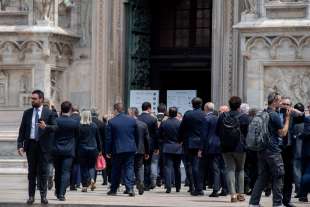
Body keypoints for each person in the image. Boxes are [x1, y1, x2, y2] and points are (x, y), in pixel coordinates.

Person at [249, 92, 291, 207]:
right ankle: (277, 203)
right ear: (275, 101)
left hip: (262, 149)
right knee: (279, 174)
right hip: (273, 150)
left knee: (262, 176)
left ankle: (253, 203)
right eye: (280, 101)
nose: (281, 103)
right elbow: (282, 133)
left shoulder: (262, 112)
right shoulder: (274, 115)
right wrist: (287, 119)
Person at [17, 90, 57, 205]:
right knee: (31, 173)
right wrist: (20, 145)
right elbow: (22, 130)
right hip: (31, 145)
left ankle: (43, 196)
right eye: (32, 98)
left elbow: (55, 127)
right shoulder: (27, 113)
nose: (32, 100)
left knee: (43, 172)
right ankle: (31, 196)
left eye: (34, 99)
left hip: (44, 147)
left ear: (41, 99)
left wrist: (46, 126)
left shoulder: (49, 113)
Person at [216, 96, 249, 203]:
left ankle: (233, 195)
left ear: (229, 105)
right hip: (240, 147)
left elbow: (217, 131)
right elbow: (247, 133)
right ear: (239, 105)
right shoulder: (244, 117)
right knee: (240, 169)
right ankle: (241, 194)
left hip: (226, 147)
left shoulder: (222, 116)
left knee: (230, 169)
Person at [106, 103, 138, 196]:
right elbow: (136, 135)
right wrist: (135, 146)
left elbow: (109, 139)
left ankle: (114, 189)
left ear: (116, 110)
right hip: (130, 148)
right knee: (129, 168)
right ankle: (130, 188)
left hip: (117, 149)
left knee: (116, 169)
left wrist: (108, 151)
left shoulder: (112, 122)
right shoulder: (132, 120)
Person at [178, 97, 206, 196]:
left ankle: (193, 187)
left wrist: (179, 140)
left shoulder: (188, 114)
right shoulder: (204, 114)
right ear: (201, 104)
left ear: (192, 105)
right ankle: (200, 187)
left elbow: (182, 128)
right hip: (202, 143)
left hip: (189, 143)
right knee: (199, 166)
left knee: (190, 165)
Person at [53, 101, 79, 201]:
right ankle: (62, 194)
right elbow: (77, 136)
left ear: (61, 109)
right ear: (70, 109)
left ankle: (57, 190)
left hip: (56, 150)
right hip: (69, 150)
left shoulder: (56, 121)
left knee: (58, 172)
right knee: (66, 172)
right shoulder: (74, 122)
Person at [203, 102, 227, 197]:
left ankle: (215, 190)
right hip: (221, 145)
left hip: (212, 146)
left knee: (215, 168)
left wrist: (202, 148)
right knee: (223, 168)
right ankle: (225, 189)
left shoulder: (207, 119)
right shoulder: (220, 119)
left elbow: (204, 135)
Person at [159, 107, 182, 193]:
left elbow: (159, 135)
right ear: (176, 114)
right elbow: (182, 135)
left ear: (168, 113)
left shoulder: (164, 123)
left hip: (167, 147)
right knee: (177, 167)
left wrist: (163, 141)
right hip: (178, 147)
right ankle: (178, 187)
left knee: (167, 167)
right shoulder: (179, 123)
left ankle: (168, 187)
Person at [78, 110, 102, 192]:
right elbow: (98, 139)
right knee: (92, 166)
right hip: (93, 149)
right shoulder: (94, 125)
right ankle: (92, 179)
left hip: (82, 149)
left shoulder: (79, 126)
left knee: (83, 167)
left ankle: (84, 186)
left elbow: (77, 139)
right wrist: (100, 149)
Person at [128, 107, 150, 195]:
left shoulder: (128, 124)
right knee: (139, 167)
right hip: (140, 150)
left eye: (128, 113)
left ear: (132, 113)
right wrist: (147, 152)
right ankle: (140, 182)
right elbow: (147, 139)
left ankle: (130, 187)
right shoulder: (143, 124)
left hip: (130, 149)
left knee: (129, 167)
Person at [138, 102, 159, 190]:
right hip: (149, 145)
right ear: (149, 108)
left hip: (138, 144)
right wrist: (157, 147)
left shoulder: (137, 118)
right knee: (147, 164)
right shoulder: (153, 119)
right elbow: (156, 134)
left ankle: (139, 182)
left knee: (138, 165)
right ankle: (146, 184)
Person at [299, 104, 310, 203]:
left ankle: (302, 194)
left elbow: (307, 133)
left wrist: (299, 135)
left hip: (308, 150)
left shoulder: (308, 119)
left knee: (307, 173)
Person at [70, 106, 81, 190]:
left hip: (69, 145)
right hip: (80, 146)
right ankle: (77, 182)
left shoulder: (69, 118)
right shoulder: (81, 119)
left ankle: (71, 183)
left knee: (70, 165)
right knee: (77, 165)